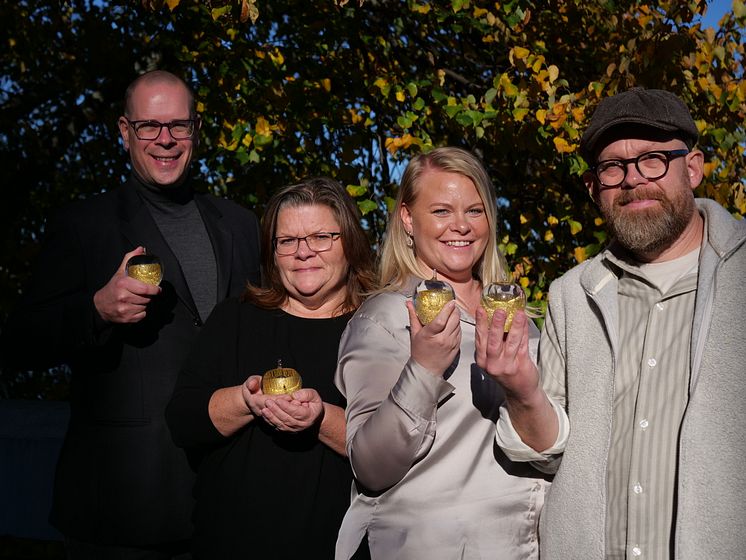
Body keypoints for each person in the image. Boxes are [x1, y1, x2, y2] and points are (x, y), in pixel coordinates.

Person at [2, 70, 261, 558]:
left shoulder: (241, 225)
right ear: (125, 131)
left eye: (178, 125)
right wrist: (96, 309)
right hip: (123, 509)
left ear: (195, 130)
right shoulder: (83, 225)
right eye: (149, 126)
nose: (165, 139)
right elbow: (17, 344)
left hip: (228, 500)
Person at [483, 88, 746, 559]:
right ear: (593, 188)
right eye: (613, 167)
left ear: (692, 167)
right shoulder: (571, 294)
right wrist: (522, 392)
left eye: (652, 160)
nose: (632, 180)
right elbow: (548, 452)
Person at [334, 147, 556, 559]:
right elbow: (370, 465)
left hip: (529, 545)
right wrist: (423, 369)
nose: (461, 226)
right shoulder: (386, 317)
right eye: (441, 211)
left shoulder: (524, 319)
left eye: (474, 211)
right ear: (407, 219)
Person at [165, 177, 376, 559]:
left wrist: (320, 419)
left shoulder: (380, 327)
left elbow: (400, 445)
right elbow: (182, 421)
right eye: (288, 241)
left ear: (350, 243)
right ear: (272, 252)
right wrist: (246, 400)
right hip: (230, 543)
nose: (304, 252)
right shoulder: (237, 318)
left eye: (321, 237)